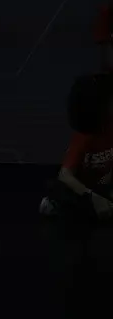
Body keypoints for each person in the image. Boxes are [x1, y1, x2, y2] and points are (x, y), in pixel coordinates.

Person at [39, 72, 113, 221]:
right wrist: (92, 196)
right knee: (60, 189)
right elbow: (65, 175)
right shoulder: (84, 135)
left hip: (106, 185)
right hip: (86, 189)